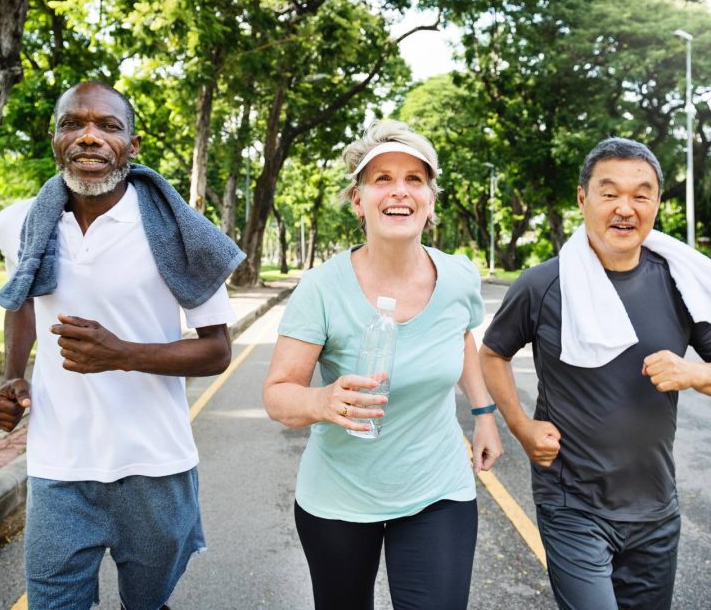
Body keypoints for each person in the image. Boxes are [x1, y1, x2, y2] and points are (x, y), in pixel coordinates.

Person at [0, 81, 245, 610]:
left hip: (155, 466)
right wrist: (15, 375)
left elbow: (218, 350)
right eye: (72, 124)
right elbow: (21, 298)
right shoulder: (20, 222)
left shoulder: (180, 231)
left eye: (107, 126)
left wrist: (123, 355)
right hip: (59, 465)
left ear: (131, 145)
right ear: (54, 138)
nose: (89, 137)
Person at [263, 119, 502, 610]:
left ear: (431, 199)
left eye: (415, 179)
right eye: (383, 179)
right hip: (339, 498)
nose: (400, 191)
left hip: (438, 489)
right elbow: (278, 393)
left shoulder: (457, 276)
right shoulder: (322, 288)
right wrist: (323, 400)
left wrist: (483, 415)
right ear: (358, 199)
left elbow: (460, 338)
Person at [480, 137, 711, 610]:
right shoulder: (542, 285)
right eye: (610, 193)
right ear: (583, 199)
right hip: (573, 505)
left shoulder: (681, 282)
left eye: (641, 194)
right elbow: (492, 355)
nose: (626, 208)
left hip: (656, 509)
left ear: (656, 204)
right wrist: (522, 428)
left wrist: (691, 372)